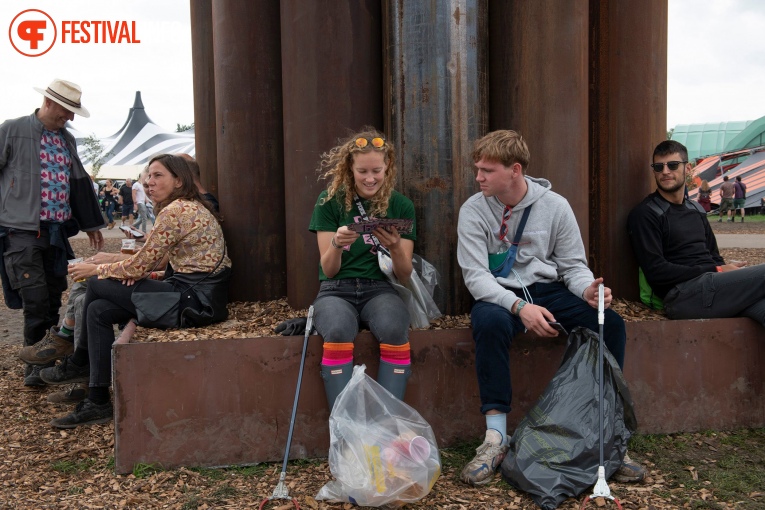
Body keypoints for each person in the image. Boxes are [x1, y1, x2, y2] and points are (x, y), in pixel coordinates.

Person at [456, 130, 644, 486]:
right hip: (501, 292)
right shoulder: (473, 210)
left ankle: (605, 436)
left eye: (486, 170)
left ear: (515, 170)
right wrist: (517, 307)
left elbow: (573, 265)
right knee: (489, 324)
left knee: (612, 324)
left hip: (550, 290)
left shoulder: (554, 205)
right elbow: (475, 276)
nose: (478, 177)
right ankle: (495, 438)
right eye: (477, 169)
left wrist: (587, 290)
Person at [43, 154, 231, 428]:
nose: (149, 182)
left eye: (158, 176)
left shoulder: (176, 211)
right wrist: (133, 271)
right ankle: (97, 400)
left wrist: (97, 270)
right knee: (98, 310)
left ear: (179, 181)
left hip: (193, 303)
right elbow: (149, 264)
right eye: (147, 176)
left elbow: (140, 264)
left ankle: (80, 363)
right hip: (190, 294)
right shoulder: (186, 206)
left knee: (95, 284)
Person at [0, 78, 104, 387]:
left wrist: (91, 223)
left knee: (52, 296)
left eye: (73, 111)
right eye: (66, 110)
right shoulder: (12, 129)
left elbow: (79, 181)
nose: (70, 117)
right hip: (21, 229)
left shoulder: (67, 139)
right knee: (34, 298)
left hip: (57, 231)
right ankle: (34, 365)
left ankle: (47, 356)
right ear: (48, 103)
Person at [309, 128, 416, 411]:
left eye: (377, 171)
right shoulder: (328, 201)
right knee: (337, 328)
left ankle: (388, 422)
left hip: (379, 287)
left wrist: (394, 246)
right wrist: (335, 243)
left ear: (387, 167)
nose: (370, 178)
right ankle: (346, 426)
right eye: (362, 171)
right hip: (336, 289)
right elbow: (328, 271)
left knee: (395, 327)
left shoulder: (401, 204)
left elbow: (404, 274)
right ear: (350, 168)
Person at [628, 140, 765, 326]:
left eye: (673, 165)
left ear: (687, 168)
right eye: (659, 167)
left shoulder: (696, 209)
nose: (665, 171)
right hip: (682, 296)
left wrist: (724, 271)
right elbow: (656, 272)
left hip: (713, 287)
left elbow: (714, 257)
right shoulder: (646, 214)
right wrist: (715, 270)